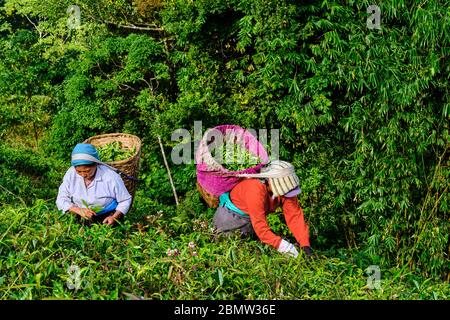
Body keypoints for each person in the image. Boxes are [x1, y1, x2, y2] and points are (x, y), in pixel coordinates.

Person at [213, 160, 312, 258]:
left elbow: (295, 216)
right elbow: (260, 227)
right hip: (230, 220)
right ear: (270, 181)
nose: (287, 195)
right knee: (234, 252)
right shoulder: (254, 189)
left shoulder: (288, 187)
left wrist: (305, 245)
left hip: (251, 221)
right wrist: (285, 247)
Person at [56, 143, 132, 226]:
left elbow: (125, 200)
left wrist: (114, 217)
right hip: (81, 214)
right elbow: (61, 198)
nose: (83, 175)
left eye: (87, 171)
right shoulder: (71, 174)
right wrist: (77, 209)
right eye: (79, 171)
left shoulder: (110, 177)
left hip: (107, 216)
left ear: (96, 164)